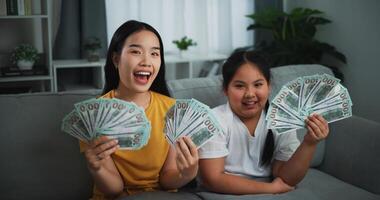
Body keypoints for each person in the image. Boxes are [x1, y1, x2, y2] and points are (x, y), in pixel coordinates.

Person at [80, 20, 199, 200]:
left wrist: (187, 174)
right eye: (136, 51)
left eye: (154, 53)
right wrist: (96, 168)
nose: (146, 61)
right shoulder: (93, 115)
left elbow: (167, 179)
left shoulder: (173, 110)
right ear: (116, 59)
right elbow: (114, 189)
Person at [198, 50, 329, 194]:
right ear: (225, 89)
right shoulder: (213, 119)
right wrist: (271, 188)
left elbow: (286, 176)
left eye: (258, 85)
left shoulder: (280, 119)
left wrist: (309, 143)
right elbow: (213, 179)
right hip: (224, 192)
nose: (249, 94)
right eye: (239, 86)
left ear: (269, 86)